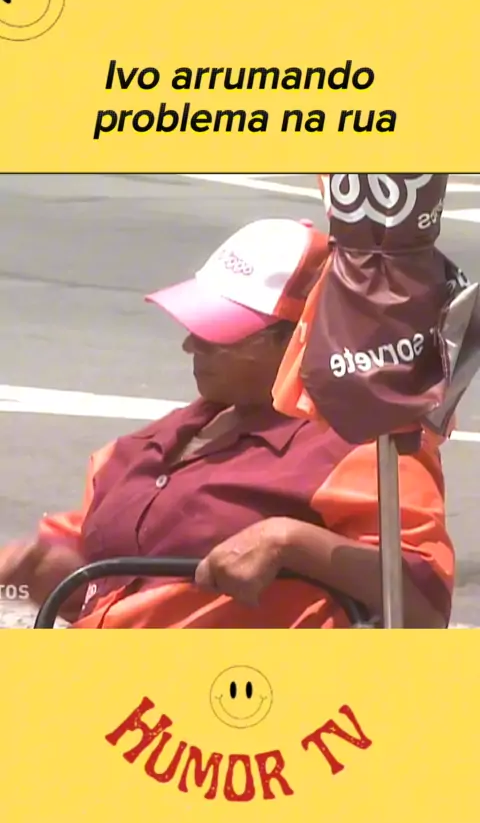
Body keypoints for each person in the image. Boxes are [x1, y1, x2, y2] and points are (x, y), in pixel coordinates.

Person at [0, 218, 455, 629]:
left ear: (298, 341)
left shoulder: (363, 448)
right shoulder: (137, 450)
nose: (191, 346)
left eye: (217, 334)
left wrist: (292, 541)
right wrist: (42, 573)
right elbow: (93, 588)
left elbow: (422, 605)